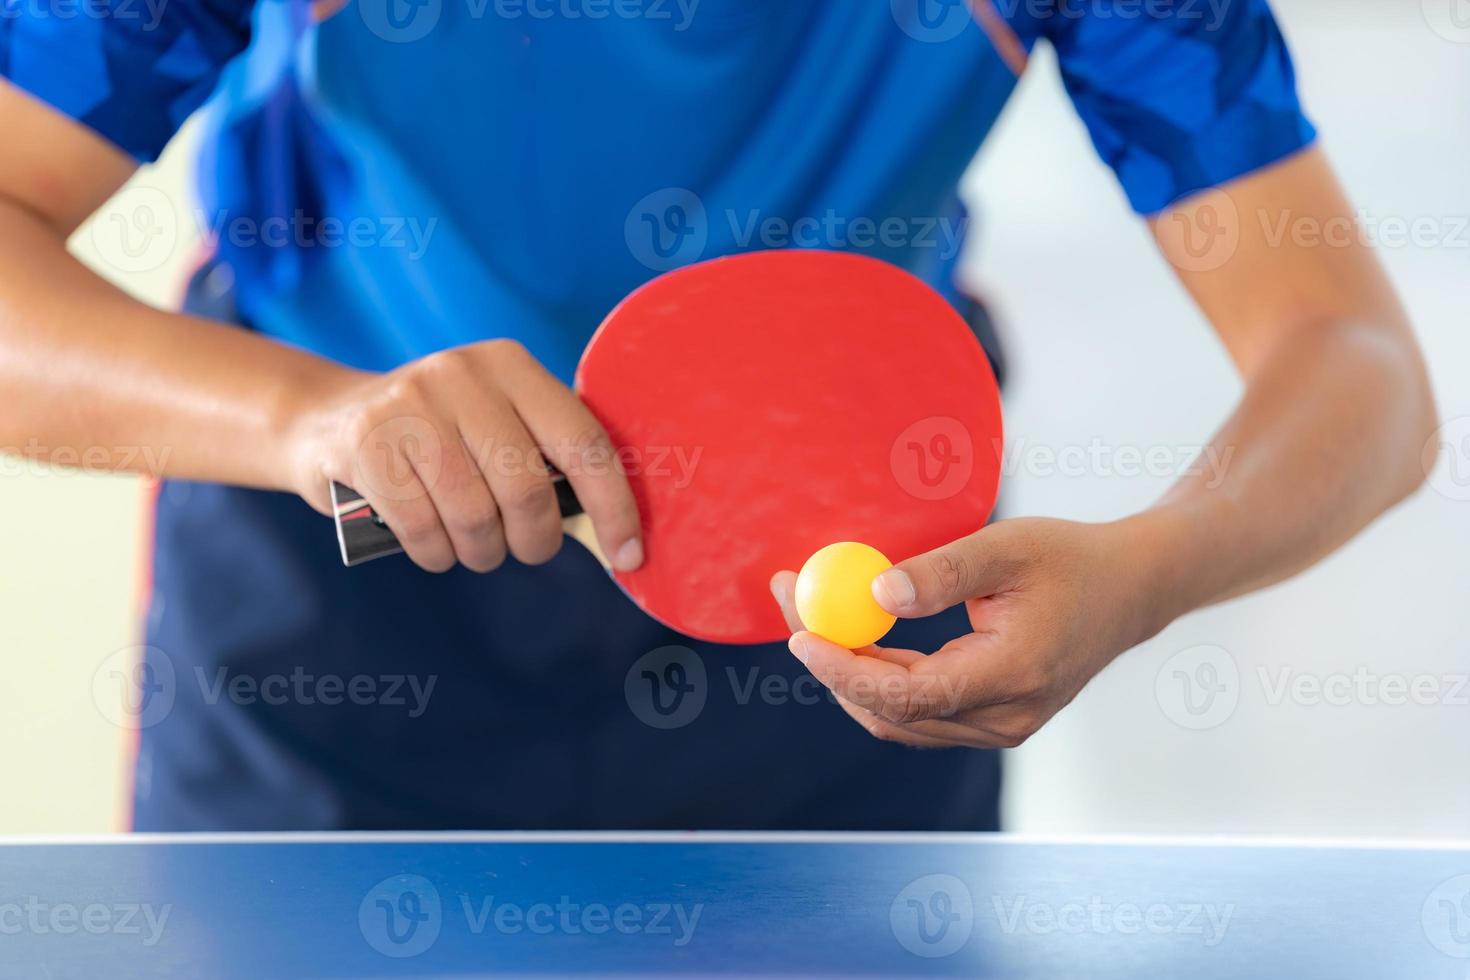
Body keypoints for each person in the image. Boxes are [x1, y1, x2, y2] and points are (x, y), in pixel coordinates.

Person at [0, 0, 1435, 831]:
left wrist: (1148, 572)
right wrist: (314, 423)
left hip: (838, 631)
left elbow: (1357, 364)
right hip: (337, 592)